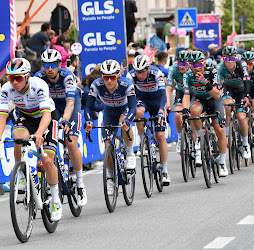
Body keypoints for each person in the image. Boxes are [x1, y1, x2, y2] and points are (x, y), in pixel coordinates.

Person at [0, 58, 62, 221]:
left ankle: (55, 200)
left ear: (27, 77)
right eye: (10, 77)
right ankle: (21, 175)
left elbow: (47, 115)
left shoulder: (39, 85)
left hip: (46, 117)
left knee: (47, 161)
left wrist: (40, 133)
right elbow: (2, 115)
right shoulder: (6, 89)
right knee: (18, 137)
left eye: (18, 78)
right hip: (26, 116)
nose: (14, 82)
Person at [37, 49, 87, 207]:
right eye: (46, 65)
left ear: (59, 65)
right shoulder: (38, 77)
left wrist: (65, 120)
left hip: (70, 105)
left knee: (71, 142)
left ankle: (80, 184)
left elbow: (70, 102)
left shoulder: (67, 77)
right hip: (52, 108)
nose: (49, 68)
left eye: (53, 65)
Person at [84, 60, 136, 194]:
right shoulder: (97, 85)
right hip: (108, 111)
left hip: (124, 109)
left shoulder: (126, 85)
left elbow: (133, 107)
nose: (108, 81)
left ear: (118, 76)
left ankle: (130, 153)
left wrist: (128, 121)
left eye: (112, 77)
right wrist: (89, 121)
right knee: (108, 144)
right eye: (105, 77)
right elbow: (88, 107)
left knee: (124, 122)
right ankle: (110, 178)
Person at [182, 51, 228, 176]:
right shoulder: (187, 76)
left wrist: (205, 83)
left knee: (219, 130)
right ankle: (200, 137)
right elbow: (186, 95)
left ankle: (223, 163)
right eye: (193, 66)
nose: (196, 68)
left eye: (198, 65)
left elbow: (217, 95)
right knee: (193, 111)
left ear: (204, 63)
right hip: (199, 99)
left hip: (214, 100)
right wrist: (185, 109)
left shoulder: (212, 72)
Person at [126, 55, 170, 185]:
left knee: (160, 135)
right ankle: (142, 140)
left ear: (148, 68)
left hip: (157, 100)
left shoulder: (157, 73)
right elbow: (130, 98)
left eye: (142, 71)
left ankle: (165, 170)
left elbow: (163, 96)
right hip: (142, 99)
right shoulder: (130, 76)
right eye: (137, 72)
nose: (139, 75)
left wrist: (162, 111)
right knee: (138, 112)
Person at [218, 46, 251, 160]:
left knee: (241, 118)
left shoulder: (242, 65)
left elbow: (247, 82)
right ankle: (226, 136)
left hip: (241, 90)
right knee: (227, 106)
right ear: (223, 59)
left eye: (232, 59)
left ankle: (246, 144)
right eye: (227, 59)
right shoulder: (220, 67)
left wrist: (246, 97)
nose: (230, 62)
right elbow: (217, 83)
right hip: (229, 89)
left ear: (236, 58)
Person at [166, 50, 190, 154]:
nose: (181, 67)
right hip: (181, 92)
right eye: (179, 63)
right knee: (176, 113)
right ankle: (180, 138)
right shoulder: (173, 69)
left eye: (184, 64)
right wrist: (167, 104)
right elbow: (168, 88)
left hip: (193, 92)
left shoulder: (192, 70)